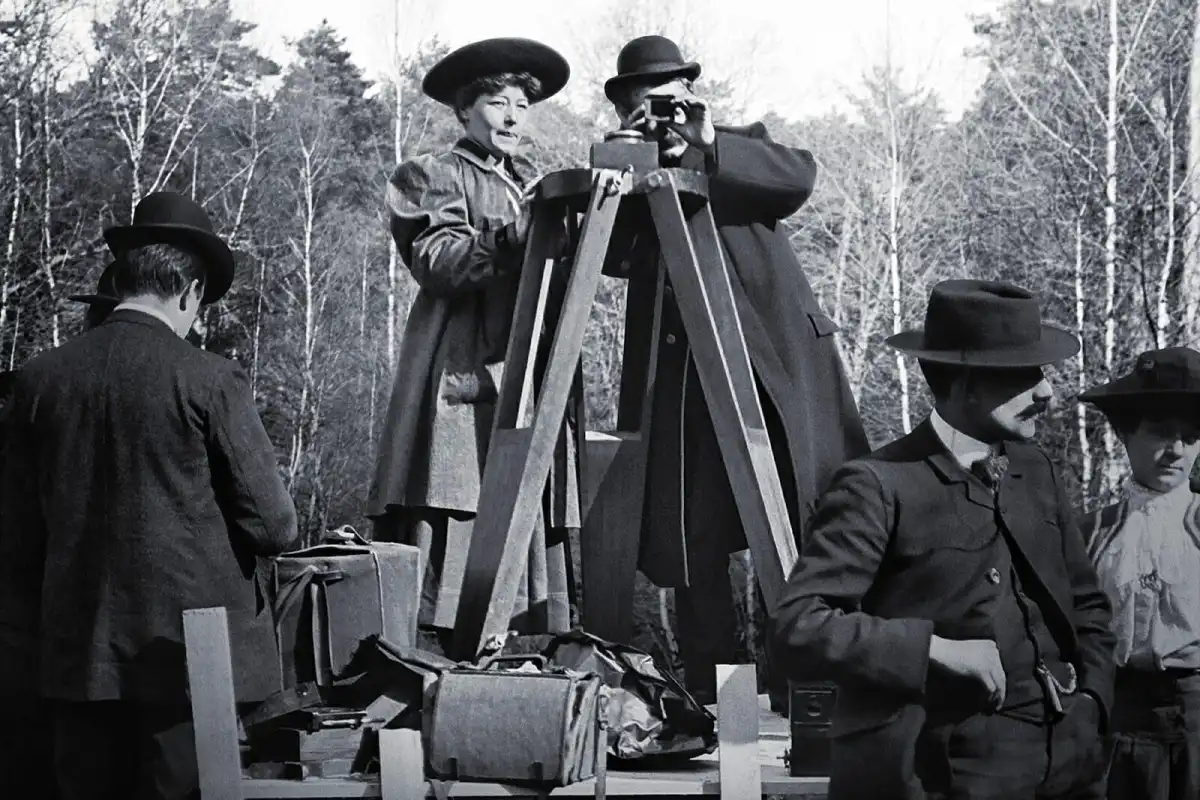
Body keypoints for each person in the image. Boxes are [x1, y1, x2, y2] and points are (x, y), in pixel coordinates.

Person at [0, 190, 298, 800]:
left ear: (125, 278)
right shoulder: (209, 378)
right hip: (188, 665)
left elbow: (17, 535)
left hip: (75, 654)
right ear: (189, 293)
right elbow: (274, 528)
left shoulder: (38, 380)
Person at [600, 34, 870, 707]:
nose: (663, 120)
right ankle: (721, 708)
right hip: (690, 388)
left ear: (691, 98)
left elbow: (798, 178)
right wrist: (625, 166)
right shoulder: (629, 170)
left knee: (802, 531)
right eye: (648, 110)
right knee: (695, 549)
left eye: (672, 105)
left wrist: (705, 141)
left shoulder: (740, 146)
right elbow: (613, 256)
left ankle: (807, 698)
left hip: (774, 373)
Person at [772, 279, 1116, 799]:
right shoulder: (877, 484)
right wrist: (933, 649)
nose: (1046, 392)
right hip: (939, 776)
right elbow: (799, 626)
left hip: (1069, 769)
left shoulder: (1036, 470)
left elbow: (1088, 607)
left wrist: (1092, 703)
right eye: (1024, 375)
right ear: (962, 383)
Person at [367, 38, 578, 654]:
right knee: (458, 509)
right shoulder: (432, 174)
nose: (513, 116)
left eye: (520, 104)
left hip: (523, 382)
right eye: (496, 102)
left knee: (521, 512)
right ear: (465, 111)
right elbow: (438, 262)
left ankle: (517, 676)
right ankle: (443, 677)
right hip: (462, 378)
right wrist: (514, 237)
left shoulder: (531, 187)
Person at [1077, 346, 1200, 800]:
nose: (1177, 450)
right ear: (1126, 434)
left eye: (1190, 436)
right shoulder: (1090, 533)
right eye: (1161, 433)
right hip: (1118, 718)